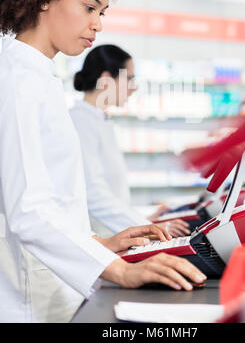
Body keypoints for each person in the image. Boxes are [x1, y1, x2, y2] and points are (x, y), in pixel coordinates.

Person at [0, 0, 206, 323]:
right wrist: (121, 271)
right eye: (89, 7)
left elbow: (54, 202)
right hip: (30, 296)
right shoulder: (17, 77)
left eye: (103, 12)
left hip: (56, 284)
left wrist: (100, 243)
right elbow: (28, 210)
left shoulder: (38, 74)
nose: (97, 25)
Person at [70, 44, 191, 237]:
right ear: (107, 79)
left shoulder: (100, 120)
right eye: (130, 78)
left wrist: (145, 219)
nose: (134, 87)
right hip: (101, 239)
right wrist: (144, 226)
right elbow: (94, 195)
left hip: (113, 233)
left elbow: (112, 193)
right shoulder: (80, 122)